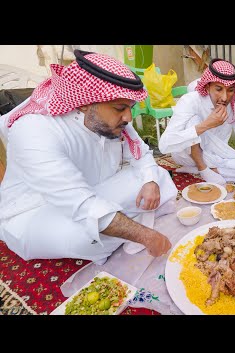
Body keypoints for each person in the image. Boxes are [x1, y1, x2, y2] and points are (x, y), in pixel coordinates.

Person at [0, 50, 178, 265]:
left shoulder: (108, 119)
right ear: (85, 103)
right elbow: (81, 204)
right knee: (86, 238)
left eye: (130, 108)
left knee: (158, 176)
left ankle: (123, 224)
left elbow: (141, 153)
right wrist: (146, 236)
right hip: (35, 211)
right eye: (120, 108)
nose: (128, 117)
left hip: (93, 189)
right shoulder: (34, 130)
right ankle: (128, 226)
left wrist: (150, 182)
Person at [158, 58, 235, 185]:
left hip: (216, 155)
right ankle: (202, 168)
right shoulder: (190, 101)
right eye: (219, 89)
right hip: (186, 156)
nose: (225, 97)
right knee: (193, 120)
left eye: (230, 90)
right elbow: (164, 145)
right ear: (207, 87)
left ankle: (210, 169)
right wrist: (206, 125)